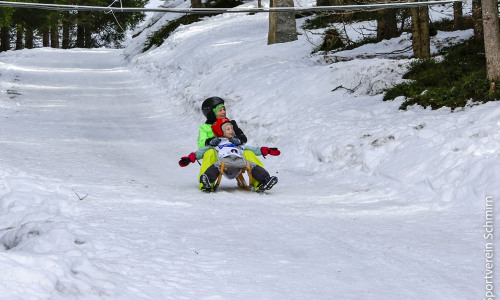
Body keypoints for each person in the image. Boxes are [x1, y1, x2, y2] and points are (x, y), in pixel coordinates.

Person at [180, 118, 280, 192]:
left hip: (240, 161)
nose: (231, 131)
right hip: (225, 161)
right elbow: (202, 151)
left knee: (253, 166)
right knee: (215, 166)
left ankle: (266, 180)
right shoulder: (217, 143)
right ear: (221, 131)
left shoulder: (237, 143)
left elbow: (252, 149)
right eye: (228, 129)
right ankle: (207, 180)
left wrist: (267, 150)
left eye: (232, 129)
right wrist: (189, 158)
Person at [197, 97, 264, 189]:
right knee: (209, 153)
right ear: (211, 113)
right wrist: (211, 141)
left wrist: (238, 140)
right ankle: (206, 183)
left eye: (224, 109)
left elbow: (243, 138)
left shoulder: (230, 124)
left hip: (235, 154)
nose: (223, 112)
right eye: (220, 110)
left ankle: (261, 181)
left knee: (249, 153)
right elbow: (201, 144)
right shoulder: (205, 127)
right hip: (217, 156)